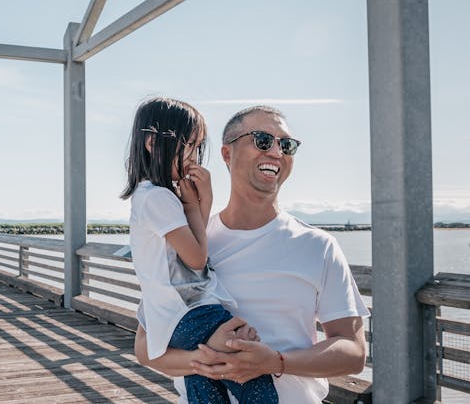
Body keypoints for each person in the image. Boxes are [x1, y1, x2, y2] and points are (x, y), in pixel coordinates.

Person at [134, 105, 370, 403]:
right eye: (262, 140)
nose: (276, 152)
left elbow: (353, 351)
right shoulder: (190, 240)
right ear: (226, 154)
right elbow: (145, 348)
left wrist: (275, 362)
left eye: (287, 145)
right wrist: (213, 360)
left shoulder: (318, 245)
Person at [122, 97, 278, 403]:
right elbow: (196, 258)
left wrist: (196, 206)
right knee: (253, 380)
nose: (194, 156)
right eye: (189, 145)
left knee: (204, 379)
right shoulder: (158, 197)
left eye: (198, 146)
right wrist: (197, 203)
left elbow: (191, 246)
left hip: (170, 317)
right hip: (193, 311)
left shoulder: (148, 196)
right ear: (154, 143)